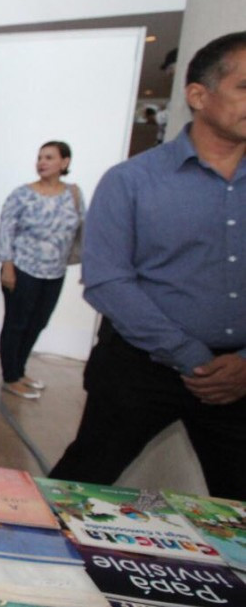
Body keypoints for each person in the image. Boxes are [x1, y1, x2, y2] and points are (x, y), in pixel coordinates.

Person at [49, 32, 246, 501]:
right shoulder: (132, 181)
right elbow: (108, 280)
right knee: (80, 483)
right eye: (245, 87)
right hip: (140, 366)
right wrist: (195, 359)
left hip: (239, 375)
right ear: (198, 95)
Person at [0, 141, 83, 399]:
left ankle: (20, 371)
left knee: (37, 323)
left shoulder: (74, 194)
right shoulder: (21, 194)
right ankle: (10, 377)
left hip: (55, 271)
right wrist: (7, 266)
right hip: (22, 268)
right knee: (16, 324)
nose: (41, 162)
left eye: (49, 157)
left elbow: (83, 230)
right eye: (39, 157)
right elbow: (5, 231)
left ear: (64, 162)